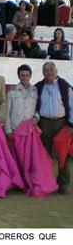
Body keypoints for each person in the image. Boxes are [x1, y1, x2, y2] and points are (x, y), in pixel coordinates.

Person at [35, 62, 73, 195]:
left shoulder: (64, 85)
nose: (49, 72)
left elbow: (72, 105)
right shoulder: (38, 87)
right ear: (43, 72)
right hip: (43, 123)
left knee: (63, 155)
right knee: (44, 155)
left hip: (61, 124)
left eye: (51, 69)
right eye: (46, 70)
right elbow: (35, 106)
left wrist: (71, 124)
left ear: (56, 70)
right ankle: (47, 183)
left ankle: (63, 184)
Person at [4, 64, 39, 137]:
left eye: (27, 75)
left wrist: (36, 117)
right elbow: (7, 112)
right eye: (22, 75)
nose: (25, 78)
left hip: (30, 129)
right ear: (18, 76)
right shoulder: (12, 92)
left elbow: (38, 109)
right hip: (15, 128)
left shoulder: (36, 91)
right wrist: (8, 130)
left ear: (30, 76)